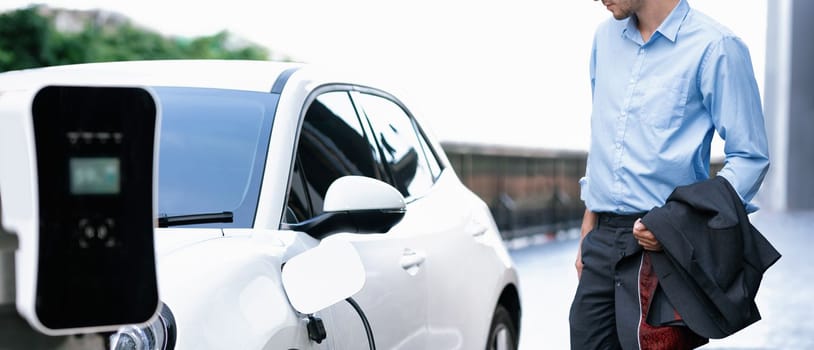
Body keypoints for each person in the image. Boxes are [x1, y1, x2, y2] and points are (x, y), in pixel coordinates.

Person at [569, 0, 770, 349]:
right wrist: (590, 217)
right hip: (600, 243)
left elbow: (750, 157)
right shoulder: (605, 38)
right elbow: (605, 133)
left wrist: (680, 225)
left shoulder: (716, 47)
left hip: (662, 249)